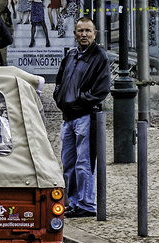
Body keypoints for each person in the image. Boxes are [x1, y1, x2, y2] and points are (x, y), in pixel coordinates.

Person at [55, 18, 110, 218]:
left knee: (83, 162)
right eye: (80, 31)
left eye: (87, 31)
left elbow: (102, 89)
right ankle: (73, 202)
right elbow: (60, 81)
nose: (83, 34)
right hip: (68, 116)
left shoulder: (99, 57)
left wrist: (78, 101)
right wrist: (60, 99)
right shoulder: (71, 55)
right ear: (75, 33)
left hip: (85, 116)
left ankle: (86, 203)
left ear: (95, 33)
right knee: (68, 161)